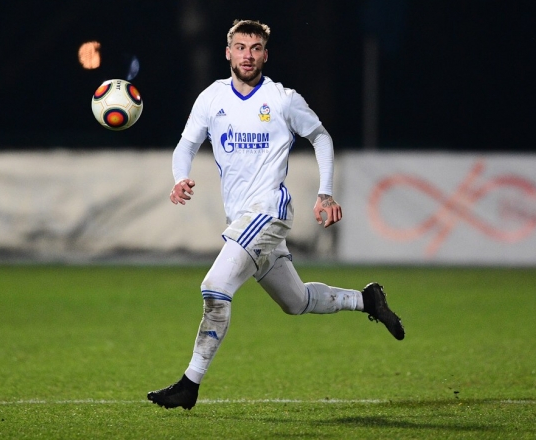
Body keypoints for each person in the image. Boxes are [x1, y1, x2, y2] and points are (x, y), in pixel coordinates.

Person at [147, 19, 404, 410]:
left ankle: (189, 385)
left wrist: (325, 193)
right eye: (240, 47)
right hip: (242, 219)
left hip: (269, 210)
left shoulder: (283, 99)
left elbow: (321, 137)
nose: (247, 55)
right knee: (295, 301)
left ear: (265, 55)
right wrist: (180, 177)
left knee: (215, 287)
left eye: (255, 48)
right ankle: (367, 300)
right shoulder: (212, 98)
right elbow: (185, 145)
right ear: (228, 52)